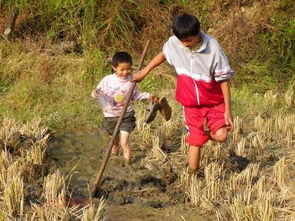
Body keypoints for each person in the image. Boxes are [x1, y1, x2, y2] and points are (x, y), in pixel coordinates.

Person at [133, 13, 234, 176]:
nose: (185, 44)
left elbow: (224, 80)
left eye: (189, 41)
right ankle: (192, 173)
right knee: (195, 142)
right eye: (182, 41)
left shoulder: (213, 48)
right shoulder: (174, 43)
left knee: (222, 136)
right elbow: (163, 54)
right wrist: (145, 71)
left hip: (214, 101)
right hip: (191, 104)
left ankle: (198, 136)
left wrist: (228, 109)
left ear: (198, 33)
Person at [91, 51, 157, 165]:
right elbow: (96, 92)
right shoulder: (108, 80)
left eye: (128, 69)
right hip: (111, 116)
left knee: (124, 142)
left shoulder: (132, 80)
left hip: (127, 115)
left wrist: (148, 95)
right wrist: (95, 93)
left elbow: (135, 95)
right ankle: (115, 160)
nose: (126, 72)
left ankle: (128, 165)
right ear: (114, 68)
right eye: (122, 69)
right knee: (114, 142)